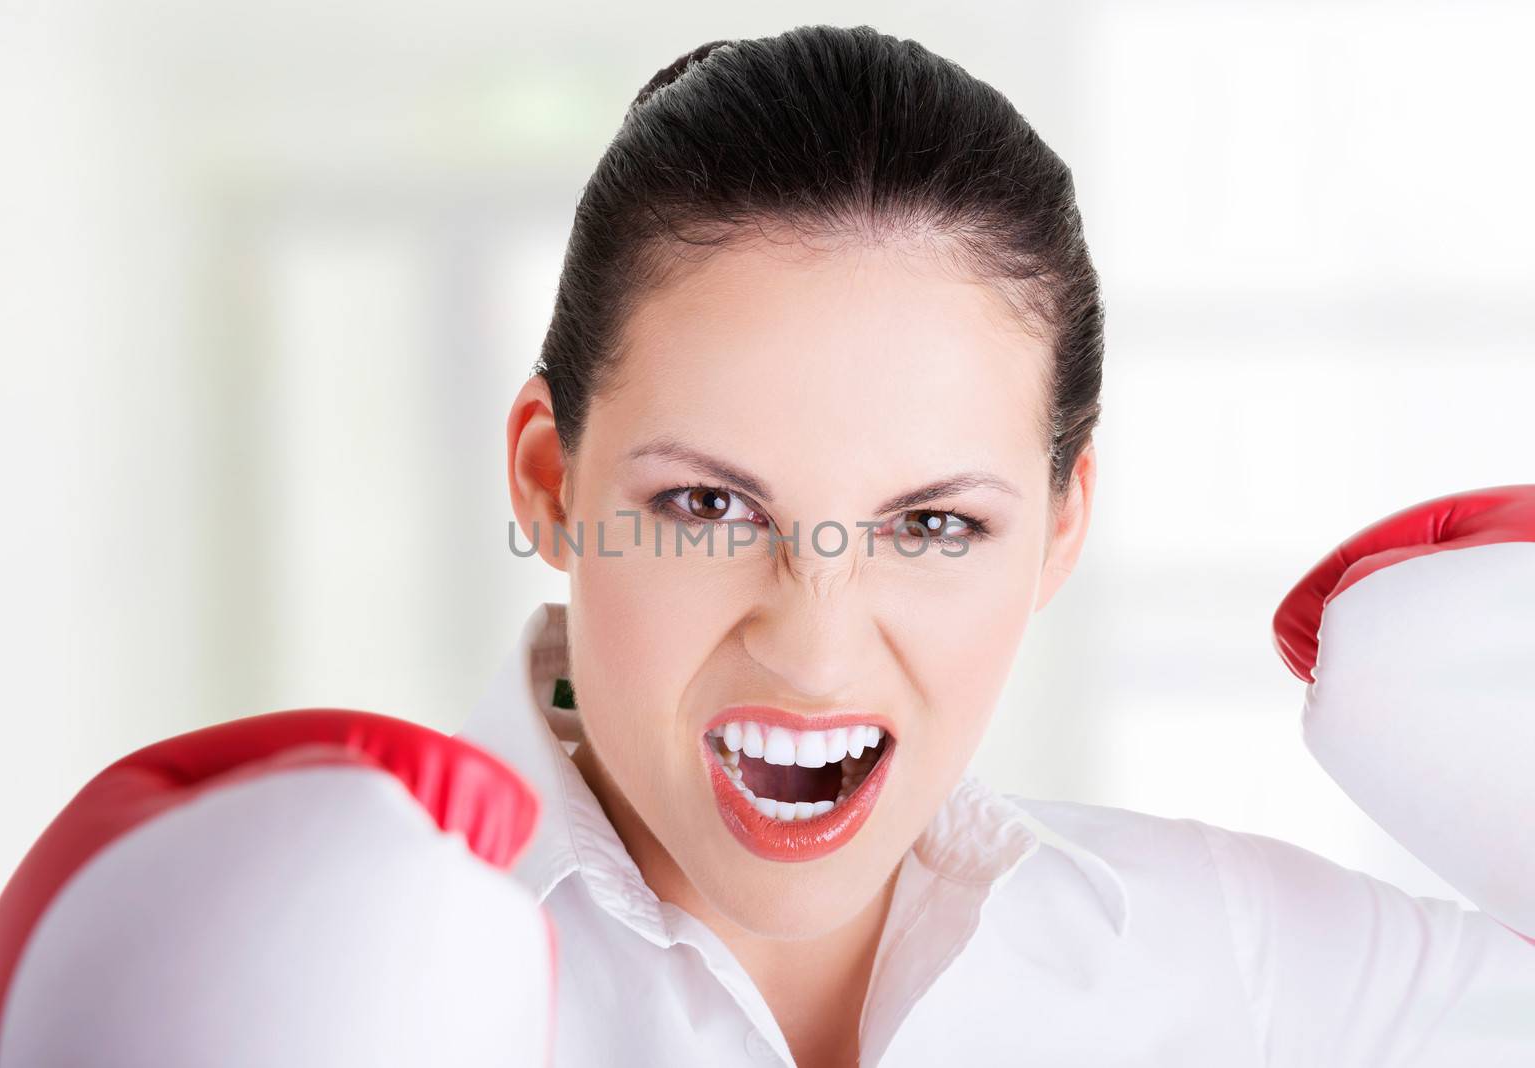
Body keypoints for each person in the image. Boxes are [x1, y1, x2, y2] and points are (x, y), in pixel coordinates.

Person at [475, 23, 1535, 1067]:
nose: (815, 650)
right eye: (709, 506)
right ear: (548, 482)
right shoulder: (345, 976)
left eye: (934, 525)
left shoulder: (1234, 967)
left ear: (1060, 524)